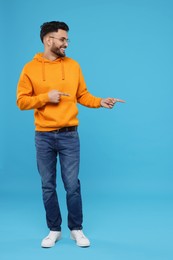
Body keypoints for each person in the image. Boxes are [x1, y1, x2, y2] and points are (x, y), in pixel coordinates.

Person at [16, 21, 125, 248]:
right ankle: (54, 230)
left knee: (72, 185)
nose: (67, 43)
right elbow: (21, 101)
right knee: (48, 185)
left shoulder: (74, 66)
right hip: (43, 136)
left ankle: (76, 229)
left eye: (67, 39)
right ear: (49, 40)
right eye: (63, 39)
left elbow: (82, 95)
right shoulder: (29, 68)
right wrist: (46, 97)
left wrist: (100, 102)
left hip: (69, 135)